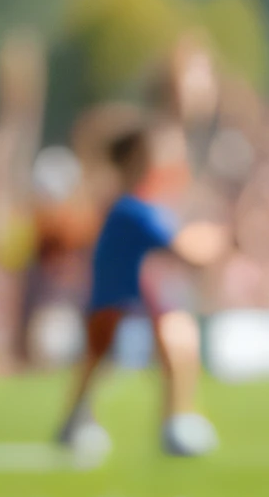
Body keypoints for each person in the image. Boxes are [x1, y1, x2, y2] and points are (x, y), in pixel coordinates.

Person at [52, 119, 229, 465]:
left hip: (131, 297)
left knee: (165, 343)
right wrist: (212, 238)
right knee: (120, 354)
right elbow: (181, 249)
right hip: (118, 296)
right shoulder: (132, 210)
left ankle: (175, 418)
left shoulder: (138, 206)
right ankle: (171, 421)